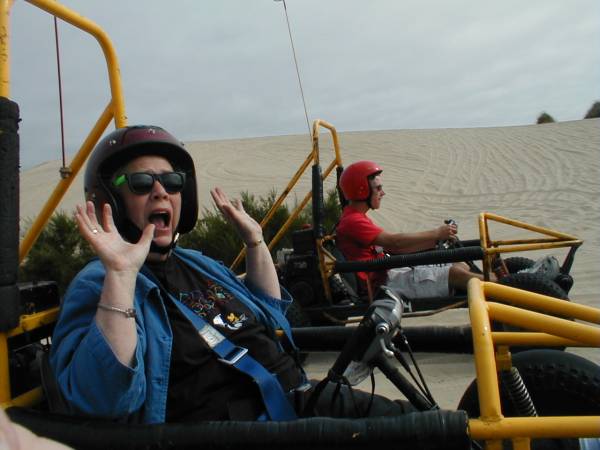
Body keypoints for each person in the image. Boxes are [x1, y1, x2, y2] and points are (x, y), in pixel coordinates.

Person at [49, 126, 413, 424]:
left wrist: (255, 243)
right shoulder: (98, 282)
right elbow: (105, 398)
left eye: (172, 181)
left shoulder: (195, 263)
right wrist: (121, 275)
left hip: (301, 401)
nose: (161, 191)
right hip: (240, 431)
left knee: (427, 425)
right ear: (111, 198)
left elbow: (271, 312)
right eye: (142, 182)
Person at [336, 160, 495, 301]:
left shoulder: (356, 217)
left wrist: (434, 240)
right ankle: (506, 290)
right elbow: (395, 243)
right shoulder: (353, 221)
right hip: (383, 284)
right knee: (455, 274)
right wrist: (436, 234)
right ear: (362, 190)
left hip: (389, 272)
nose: (382, 193)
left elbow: (395, 247)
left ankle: (499, 286)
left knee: (460, 265)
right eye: (378, 188)